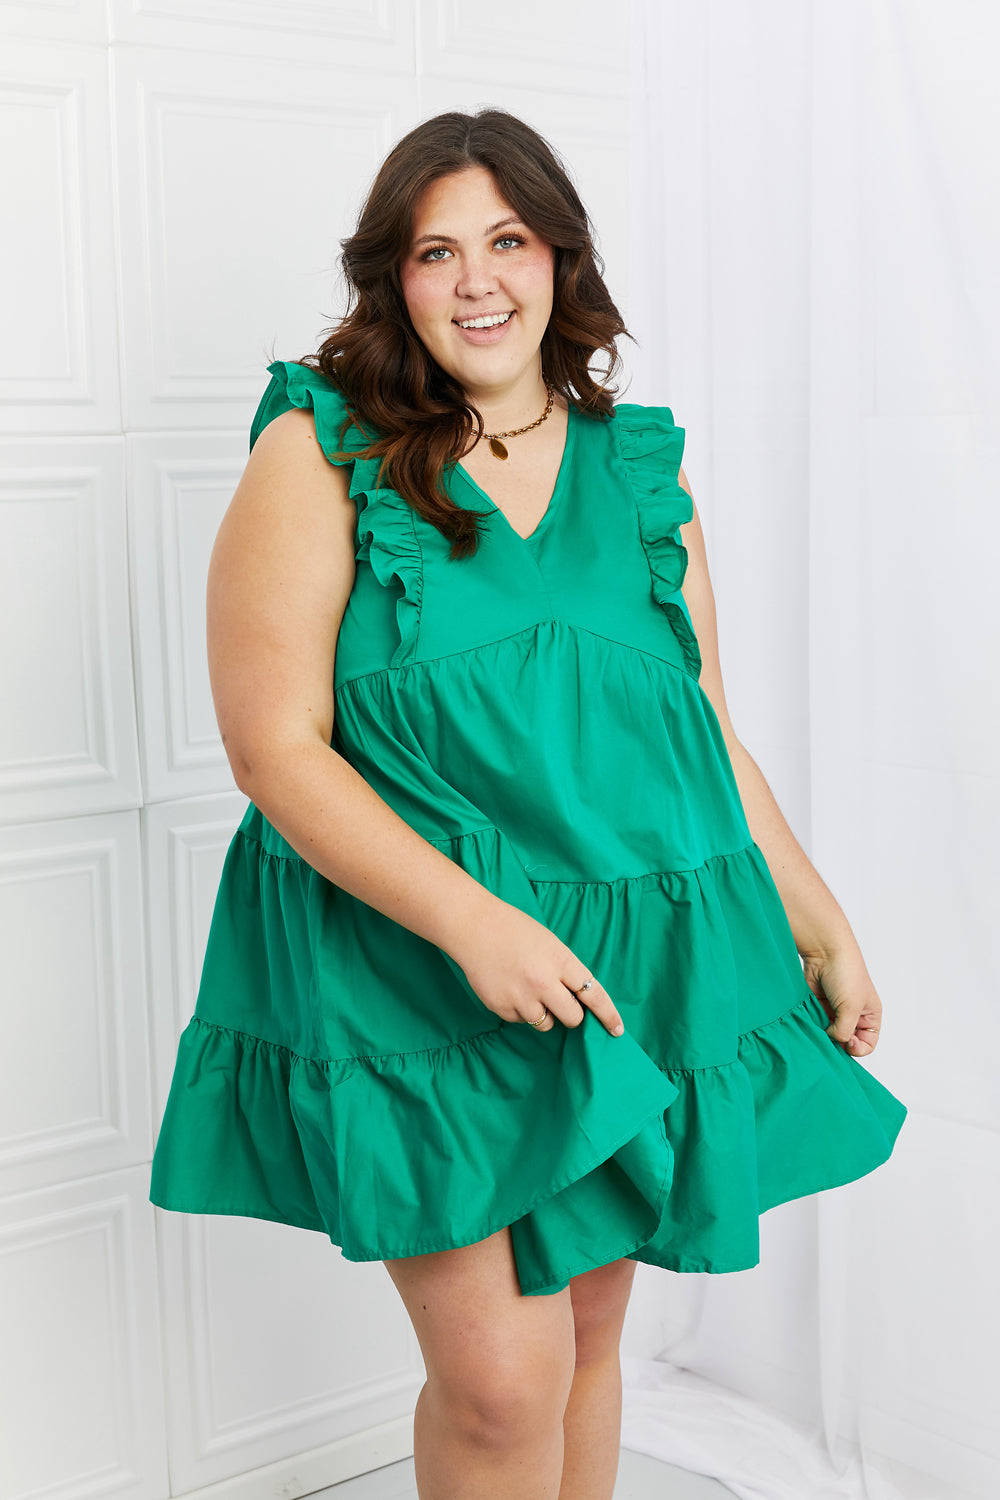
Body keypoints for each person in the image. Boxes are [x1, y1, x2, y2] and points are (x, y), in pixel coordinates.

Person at [149, 108, 907, 1500]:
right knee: (502, 1383)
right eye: (437, 252)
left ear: (561, 256)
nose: (478, 281)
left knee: (589, 1339)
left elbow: (702, 734)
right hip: (414, 949)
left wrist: (819, 917)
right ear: (394, 278)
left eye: (508, 241)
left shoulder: (640, 473)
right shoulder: (319, 453)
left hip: (616, 950)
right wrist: (474, 925)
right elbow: (273, 751)